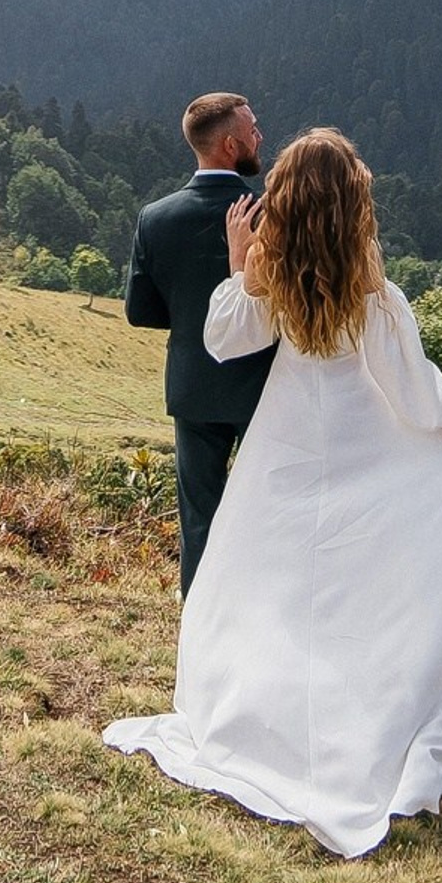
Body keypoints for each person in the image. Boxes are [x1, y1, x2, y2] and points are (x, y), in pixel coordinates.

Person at [105, 127, 442, 859]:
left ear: (286, 201)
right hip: (359, 444)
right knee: (362, 591)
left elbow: (223, 341)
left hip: (285, 448)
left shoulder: (271, 279)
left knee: (272, 586)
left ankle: (270, 722)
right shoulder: (371, 292)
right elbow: (406, 382)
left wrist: (241, 264)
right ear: (352, 207)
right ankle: (367, 724)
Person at [123, 90, 277, 591]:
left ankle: (201, 632)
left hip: (194, 387)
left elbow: (139, 312)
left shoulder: (155, 217)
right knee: (272, 513)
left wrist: (194, 322)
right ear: (230, 146)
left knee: (199, 521)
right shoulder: (270, 215)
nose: (260, 136)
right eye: (253, 130)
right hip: (266, 386)